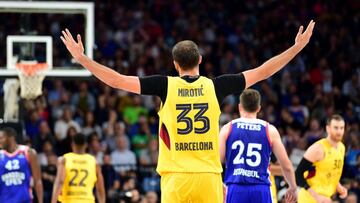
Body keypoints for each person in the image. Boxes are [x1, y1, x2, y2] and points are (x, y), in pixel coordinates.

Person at [60, 20, 315, 202]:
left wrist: (83, 59)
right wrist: (296, 48)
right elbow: (263, 71)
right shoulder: (216, 86)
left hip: (176, 179)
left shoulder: (164, 85)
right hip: (208, 176)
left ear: (175, 64)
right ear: (200, 61)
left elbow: (116, 80)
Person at [219, 89, 297, 203]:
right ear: (258, 108)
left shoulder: (227, 128)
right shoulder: (270, 130)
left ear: (240, 106)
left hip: (235, 187)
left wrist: (219, 184)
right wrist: (293, 187)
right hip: (260, 189)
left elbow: (216, 161)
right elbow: (286, 166)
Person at [295, 114, 348, 203]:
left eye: (341, 128)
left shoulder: (342, 148)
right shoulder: (318, 148)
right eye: (336, 128)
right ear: (328, 128)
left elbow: (332, 173)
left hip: (326, 198)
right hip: (309, 198)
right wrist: (317, 197)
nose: (339, 131)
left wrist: (339, 187)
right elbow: (297, 175)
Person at [51, 133, 105, 203]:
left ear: (72, 144)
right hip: (87, 201)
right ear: (86, 145)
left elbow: (60, 182)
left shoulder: (64, 159)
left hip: (69, 200)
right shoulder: (94, 161)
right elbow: (100, 187)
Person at [0, 127, 43, 203]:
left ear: (10, 137)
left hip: (24, 200)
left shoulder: (28, 152)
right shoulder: (1, 156)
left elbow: (38, 181)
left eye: (1, 138)